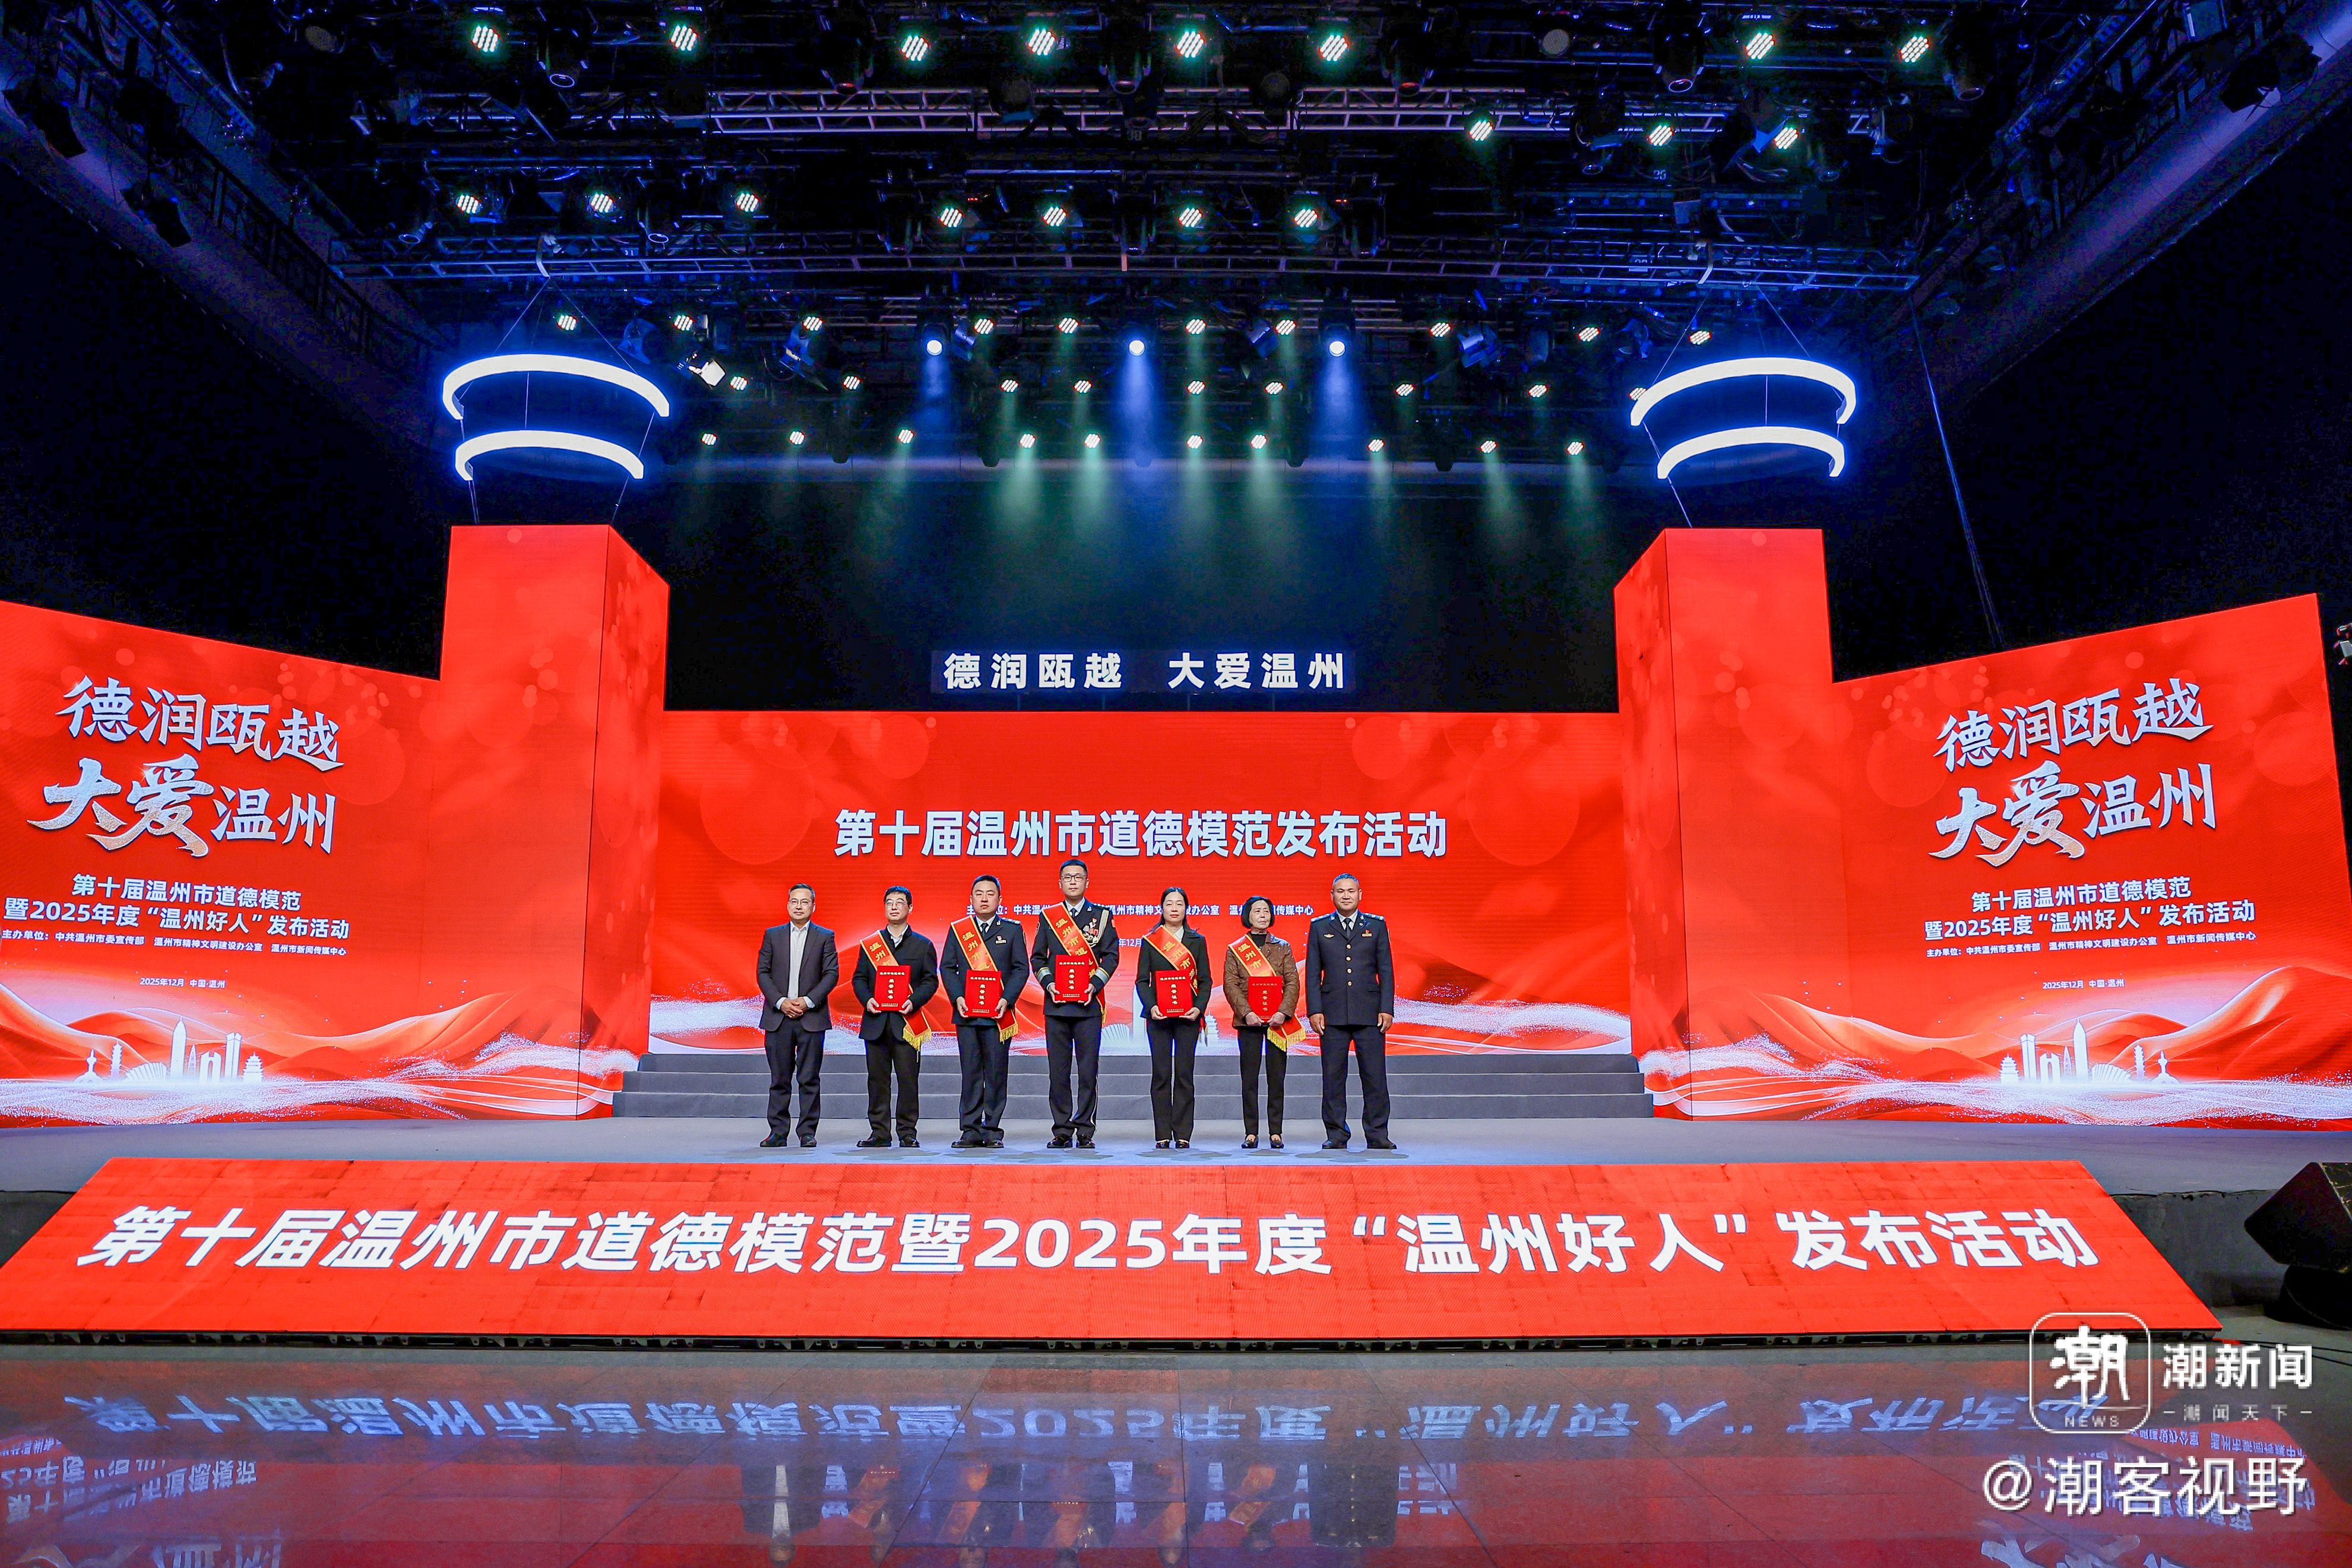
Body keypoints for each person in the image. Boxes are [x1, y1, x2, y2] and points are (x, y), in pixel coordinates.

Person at [1302, 870, 1396, 1150]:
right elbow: (1312, 974)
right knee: (1333, 1078)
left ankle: (1377, 1134)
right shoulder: (1320, 927)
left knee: (1375, 1077)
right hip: (1331, 1015)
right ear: (1332, 896)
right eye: (1340, 891)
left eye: (1351, 891)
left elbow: (1386, 971)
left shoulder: (1376, 926)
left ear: (1360, 895)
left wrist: (1386, 1008)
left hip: (1370, 1014)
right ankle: (1336, 1134)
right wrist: (1314, 1010)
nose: (1346, 896)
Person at [1029, 857, 1118, 1149]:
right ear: (1060, 883)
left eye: (1078, 877)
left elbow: (1111, 956)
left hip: (1088, 1006)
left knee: (1088, 1071)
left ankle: (1085, 1130)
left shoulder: (1101, 916)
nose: (1073, 882)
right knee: (1058, 1071)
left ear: (1087, 882)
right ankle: (1062, 1130)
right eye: (1067, 877)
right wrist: (1049, 984)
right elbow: (1038, 958)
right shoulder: (1049, 916)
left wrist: (1095, 985)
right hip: (1056, 1006)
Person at [941, 872, 1030, 1149]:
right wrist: (957, 997)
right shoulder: (959, 930)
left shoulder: (1012, 930)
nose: (984, 899)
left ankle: (991, 1130)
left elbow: (1021, 969)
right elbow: (947, 968)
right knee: (970, 1073)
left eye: (990, 894)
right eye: (979, 894)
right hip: (967, 1013)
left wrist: (1007, 999)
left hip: (999, 1015)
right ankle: (969, 1130)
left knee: (996, 1073)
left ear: (1000, 899)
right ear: (971, 899)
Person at [849, 885, 938, 1148]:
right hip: (876, 1022)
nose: (894, 906)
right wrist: (867, 1000)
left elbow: (930, 981)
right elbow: (859, 979)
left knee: (908, 1080)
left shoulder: (923, 945)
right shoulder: (871, 945)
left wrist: (914, 1001)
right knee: (877, 1081)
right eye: (889, 902)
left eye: (900, 902)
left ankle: (908, 1132)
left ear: (910, 908)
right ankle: (879, 1133)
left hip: (907, 1023)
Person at [755, 883, 837, 1149]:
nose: (799, 906)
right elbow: (763, 973)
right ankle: (778, 1132)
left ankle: (807, 1132)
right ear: (788, 905)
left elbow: (831, 974)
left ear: (814, 906)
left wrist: (808, 1001)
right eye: (794, 901)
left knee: (809, 1078)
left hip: (811, 1018)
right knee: (779, 1079)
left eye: (804, 902)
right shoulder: (773, 935)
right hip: (778, 1017)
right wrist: (781, 1002)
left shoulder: (825, 937)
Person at [1133, 886, 1211, 1149]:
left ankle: (1183, 1133)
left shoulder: (1197, 941)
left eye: (1179, 904)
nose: (1175, 908)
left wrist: (1199, 1008)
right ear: (1162, 908)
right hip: (1159, 1018)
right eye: (1169, 903)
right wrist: (1152, 1006)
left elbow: (1205, 981)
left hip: (1189, 1017)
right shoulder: (1151, 940)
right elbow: (1142, 981)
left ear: (1186, 909)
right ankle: (1162, 1134)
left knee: (1185, 1074)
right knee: (1161, 1074)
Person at [1221, 895, 1300, 1149]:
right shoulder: (1236, 949)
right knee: (1250, 1079)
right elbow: (1230, 984)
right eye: (1257, 911)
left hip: (1277, 1022)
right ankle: (1251, 1132)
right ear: (1248, 916)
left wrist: (1283, 1012)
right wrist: (1246, 1013)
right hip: (1249, 1022)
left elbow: (1293, 982)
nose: (1263, 915)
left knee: (1277, 1078)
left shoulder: (1283, 947)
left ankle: (1276, 1132)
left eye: (1266, 911)